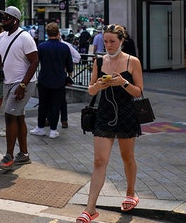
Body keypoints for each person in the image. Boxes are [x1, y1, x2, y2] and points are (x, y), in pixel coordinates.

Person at [77, 24, 144, 223]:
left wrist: (123, 82)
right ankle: (90, 209)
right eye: (105, 41)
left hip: (127, 114)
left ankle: (131, 193)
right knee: (99, 161)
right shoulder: (99, 61)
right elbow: (90, 91)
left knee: (127, 157)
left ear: (121, 41)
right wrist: (98, 85)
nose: (108, 45)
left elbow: (139, 92)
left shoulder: (133, 62)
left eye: (112, 41)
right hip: (105, 114)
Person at [0, 6, 38, 170]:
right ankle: (23, 154)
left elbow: (35, 62)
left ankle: (9, 156)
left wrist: (23, 84)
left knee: (9, 115)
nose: (3, 20)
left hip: (23, 83)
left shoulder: (25, 37)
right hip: (8, 82)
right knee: (18, 117)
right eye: (3, 17)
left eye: (6, 18)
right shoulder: (1, 37)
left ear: (15, 20)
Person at [30, 22, 73, 139]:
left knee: (43, 104)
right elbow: (70, 66)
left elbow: (36, 62)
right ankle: (53, 130)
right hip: (59, 80)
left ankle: (40, 127)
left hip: (44, 79)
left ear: (47, 33)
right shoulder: (65, 48)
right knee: (56, 105)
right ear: (58, 33)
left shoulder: (42, 47)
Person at [60, 36, 81, 128]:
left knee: (61, 99)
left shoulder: (66, 46)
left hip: (61, 75)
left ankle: (64, 120)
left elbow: (77, 57)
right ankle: (52, 119)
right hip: (55, 75)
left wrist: (67, 62)